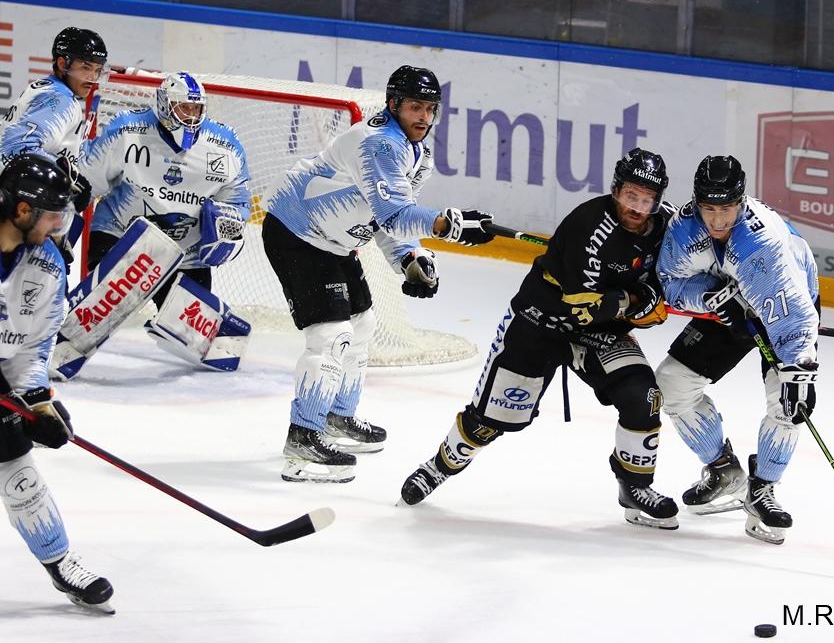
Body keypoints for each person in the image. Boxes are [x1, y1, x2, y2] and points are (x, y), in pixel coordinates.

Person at [400, 149, 679, 529]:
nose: (637, 207)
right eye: (631, 195)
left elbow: (662, 284)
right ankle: (439, 466)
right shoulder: (588, 225)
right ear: (616, 190)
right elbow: (589, 307)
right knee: (489, 421)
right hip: (540, 322)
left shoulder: (666, 226)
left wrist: (644, 297)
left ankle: (635, 487)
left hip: (600, 332)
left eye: (647, 199)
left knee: (643, 398)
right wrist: (636, 301)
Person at [264, 65, 495, 484]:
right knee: (331, 336)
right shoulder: (378, 144)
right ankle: (303, 439)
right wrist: (450, 225)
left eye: (430, 108)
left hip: (336, 241)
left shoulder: (418, 153)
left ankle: (336, 417)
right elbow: (395, 213)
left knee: (363, 325)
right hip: (297, 231)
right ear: (393, 104)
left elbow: (388, 219)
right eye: (415, 107)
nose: (424, 116)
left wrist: (409, 258)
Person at [654, 155, 820, 544]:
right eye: (709, 209)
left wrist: (799, 370)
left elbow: (794, 318)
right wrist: (710, 295)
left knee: (788, 402)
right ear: (696, 203)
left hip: (785, 309)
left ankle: (763, 488)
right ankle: (723, 470)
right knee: (672, 383)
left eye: (726, 208)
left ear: (741, 202)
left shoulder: (762, 245)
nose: (717, 220)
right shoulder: (684, 228)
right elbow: (670, 283)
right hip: (728, 299)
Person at [0, 154, 114, 613]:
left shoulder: (46, 264)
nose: (57, 225)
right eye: (50, 215)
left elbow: (33, 348)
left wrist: (38, 405)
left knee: (18, 472)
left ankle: (61, 563)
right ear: (22, 210)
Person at [78, 71, 251, 306]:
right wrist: (61, 230)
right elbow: (86, 180)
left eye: (196, 108)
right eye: (183, 107)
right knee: (100, 313)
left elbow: (237, 201)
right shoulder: (128, 129)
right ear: (164, 105)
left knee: (187, 326)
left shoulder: (225, 145)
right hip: (120, 238)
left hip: (186, 254)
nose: (191, 116)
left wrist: (228, 227)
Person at [0, 28, 108, 259]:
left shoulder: (47, 87)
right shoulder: (61, 100)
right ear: (62, 63)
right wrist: (66, 177)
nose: (92, 77)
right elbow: (16, 147)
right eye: (85, 67)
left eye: (97, 70)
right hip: (18, 210)